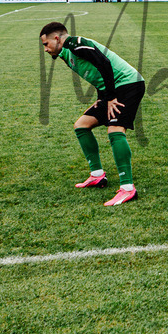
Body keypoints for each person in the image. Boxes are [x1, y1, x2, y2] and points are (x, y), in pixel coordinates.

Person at [40, 22, 146, 206]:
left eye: (46, 44)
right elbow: (95, 73)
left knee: (115, 130)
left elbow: (104, 62)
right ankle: (97, 176)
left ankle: (128, 189)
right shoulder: (65, 53)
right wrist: (102, 97)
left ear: (57, 38)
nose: (46, 49)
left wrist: (111, 97)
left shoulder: (76, 44)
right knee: (81, 125)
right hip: (112, 89)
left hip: (129, 84)